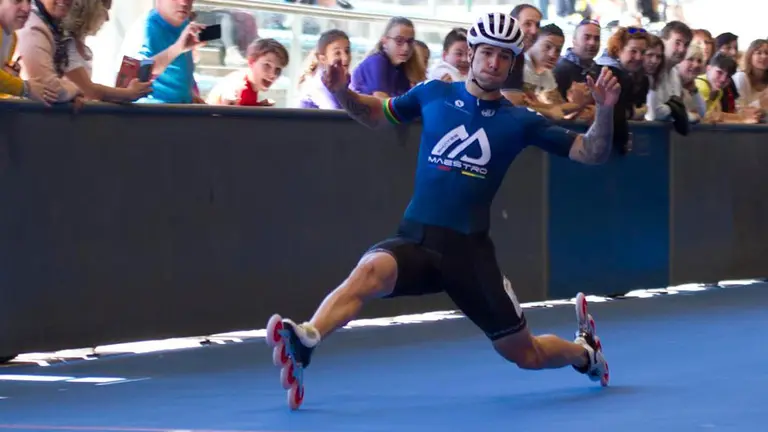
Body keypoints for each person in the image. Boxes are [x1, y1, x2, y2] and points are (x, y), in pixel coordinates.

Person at [267, 12, 616, 408]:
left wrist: (604, 110)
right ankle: (308, 337)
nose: (494, 63)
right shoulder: (433, 93)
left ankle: (584, 353)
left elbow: (591, 152)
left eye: (504, 57)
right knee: (370, 271)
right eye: (487, 53)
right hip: (416, 238)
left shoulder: (520, 121)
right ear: (471, 52)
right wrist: (342, 92)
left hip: (469, 255)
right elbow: (374, 115)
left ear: (513, 61)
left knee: (526, 354)